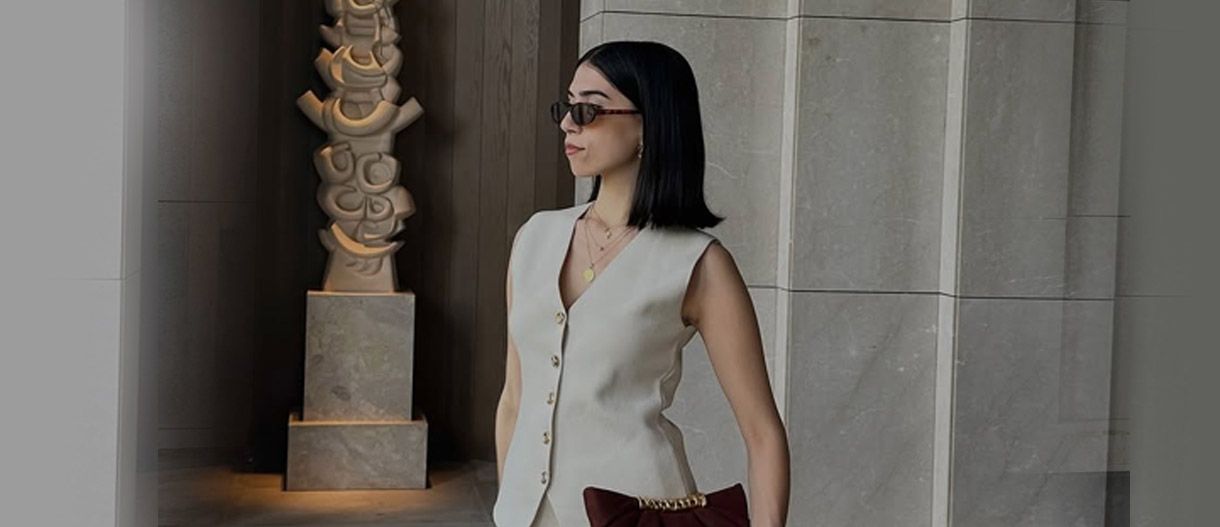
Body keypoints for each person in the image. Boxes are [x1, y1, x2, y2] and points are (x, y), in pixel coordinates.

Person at [492, 40, 790, 527]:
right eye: (566, 107)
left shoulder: (699, 264)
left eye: (588, 109)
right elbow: (514, 398)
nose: (568, 123)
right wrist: (510, 507)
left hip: (639, 513)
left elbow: (762, 433)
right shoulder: (534, 238)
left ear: (649, 123)